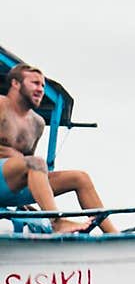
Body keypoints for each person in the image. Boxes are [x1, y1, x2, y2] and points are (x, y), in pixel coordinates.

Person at [0, 63, 118, 233]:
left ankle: (113, 234)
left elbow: (25, 165)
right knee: (35, 162)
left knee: (80, 178)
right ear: (16, 84)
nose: (40, 89)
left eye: (42, 85)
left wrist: (23, 203)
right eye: (34, 83)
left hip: (11, 185)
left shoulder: (37, 123)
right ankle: (57, 221)